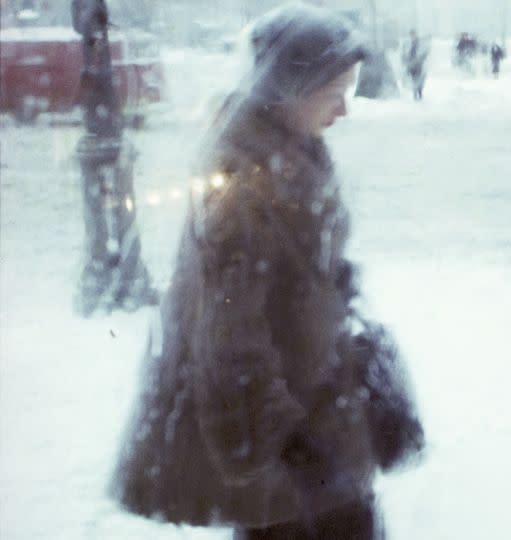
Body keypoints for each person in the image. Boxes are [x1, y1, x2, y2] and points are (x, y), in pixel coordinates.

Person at [110, 4, 424, 539]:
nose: (343, 109)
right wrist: (291, 444)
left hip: (312, 413)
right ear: (291, 89)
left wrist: (335, 287)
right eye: (333, 93)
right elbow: (229, 336)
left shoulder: (291, 149)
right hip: (289, 439)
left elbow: (291, 271)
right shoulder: (243, 178)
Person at [403, 29, 428, 100]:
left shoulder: (420, 43)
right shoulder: (408, 44)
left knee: (419, 78)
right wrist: (406, 61)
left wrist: (420, 59)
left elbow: (424, 53)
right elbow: (405, 53)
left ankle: (419, 92)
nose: (412, 36)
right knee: (413, 79)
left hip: (419, 64)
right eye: (411, 35)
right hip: (411, 64)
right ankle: (415, 93)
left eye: (414, 35)